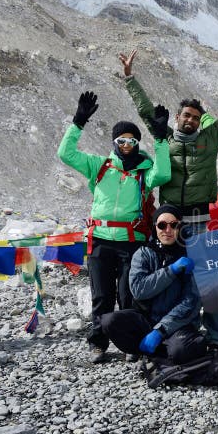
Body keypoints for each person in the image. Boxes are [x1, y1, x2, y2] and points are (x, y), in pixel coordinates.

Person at [118, 49, 218, 348]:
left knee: (206, 278)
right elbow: (146, 110)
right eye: (186, 116)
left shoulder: (209, 137)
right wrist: (129, 78)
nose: (191, 120)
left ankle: (214, 338)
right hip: (169, 223)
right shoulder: (165, 137)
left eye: (196, 118)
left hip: (200, 221)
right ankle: (159, 330)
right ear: (178, 118)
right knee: (165, 275)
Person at [58, 91, 171, 363]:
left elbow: (165, 173)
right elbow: (65, 153)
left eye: (132, 140)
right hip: (99, 240)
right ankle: (98, 343)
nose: (127, 145)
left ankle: (131, 343)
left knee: (129, 295)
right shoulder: (99, 165)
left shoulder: (145, 170)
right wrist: (78, 122)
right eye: (122, 140)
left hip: (132, 242)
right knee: (101, 296)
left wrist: (160, 139)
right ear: (114, 142)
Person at [100, 204, 208, 366]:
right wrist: (171, 271)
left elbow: (190, 301)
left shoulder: (190, 256)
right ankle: (153, 353)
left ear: (180, 227)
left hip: (177, 324)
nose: (167, 230)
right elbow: (139, 290)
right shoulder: (143, 253)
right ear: (155, 228)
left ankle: (156, 356)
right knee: (110, 321)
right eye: (162, 225)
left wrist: (161, 330)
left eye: (174, 225)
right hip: (147, 320)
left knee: (182, 350)